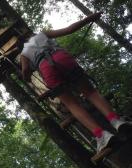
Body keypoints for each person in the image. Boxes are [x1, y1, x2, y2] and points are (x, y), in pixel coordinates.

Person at [20, 12, 132, 154]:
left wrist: (28, 76)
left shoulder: (24, 53)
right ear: (32, 34)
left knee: (72, 104)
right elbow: (68, 29)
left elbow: (25, 71)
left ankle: (101, 135)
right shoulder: (42, 34)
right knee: (90, 92)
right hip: (60, 57)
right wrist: (89, 19)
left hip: (46, 69)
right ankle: (116, 121)